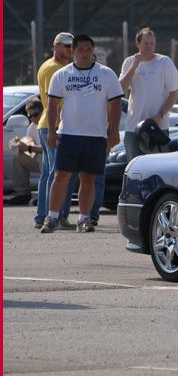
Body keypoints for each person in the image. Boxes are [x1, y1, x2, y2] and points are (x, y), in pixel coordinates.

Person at [41, 34, 123, 234]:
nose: (85, 53)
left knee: (89, 179)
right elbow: (52, 106)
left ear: (93, 51)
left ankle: (84, 219)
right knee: (61, 176)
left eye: (88, 49)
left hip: (95, 135)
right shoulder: (61, 74)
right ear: (73, 51)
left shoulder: (106, 74)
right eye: (80, 49)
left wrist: (113, 132)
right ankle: (52, 217)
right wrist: (51, 132)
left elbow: (115, 104)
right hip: (68, 134)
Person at [119, 27, 178, 160]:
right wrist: (134, 67)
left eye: (151, 44)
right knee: (134, 169)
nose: (149, 47)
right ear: (138, 43)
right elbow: (120, 89)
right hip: (133, 127)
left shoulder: (164, 62)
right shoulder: (129, 62)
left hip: (157, 127)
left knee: (157, 169)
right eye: (145, 43)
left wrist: (159, 116)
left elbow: (174, 94)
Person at [35, 31, 75, 229]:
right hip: (55, 126)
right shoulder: (55, 69)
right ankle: (54, 216)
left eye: (71, 47)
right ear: (56, 46)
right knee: (59, 172)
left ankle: (42, 215)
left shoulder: (49, 66)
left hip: (45, 124)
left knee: (48, 173)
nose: (70, 50)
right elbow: (56, 101)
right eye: (67, 46)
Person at [6, 99, 44, 205]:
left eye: (35, 115)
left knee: (43, 156)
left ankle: (45, 193)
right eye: (30, 116)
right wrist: (18, 144)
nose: (32, 118)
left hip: (51, 160)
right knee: (18, 157)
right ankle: (22, 194)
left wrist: (29, 148)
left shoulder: (48, 124)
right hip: (40, 161)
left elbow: (49, 149)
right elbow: (31, 148)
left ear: (43, 112)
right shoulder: (32, 127)